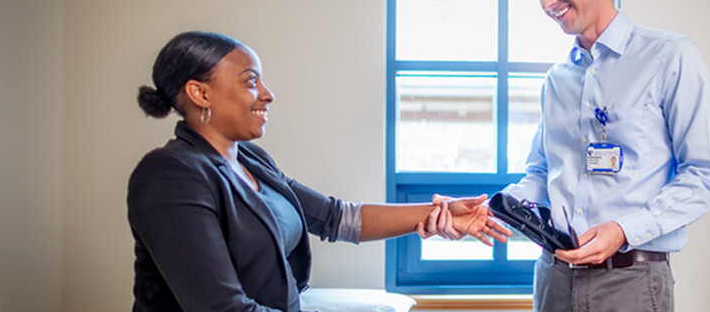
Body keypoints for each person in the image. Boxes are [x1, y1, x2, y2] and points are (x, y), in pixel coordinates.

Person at [427, 0, 710, 311]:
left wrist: (622, 231)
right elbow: (540, 174)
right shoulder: (558, 80)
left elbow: (706, 177)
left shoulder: (671, 58)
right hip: (554, 278)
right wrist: (492, 207)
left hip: (632, 282)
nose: (547, 3)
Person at [127, 31, 511, 312]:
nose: (267, 93)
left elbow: (335, 217)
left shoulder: (250, 160)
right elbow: (222, 309)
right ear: (200, 93)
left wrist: (436, 216)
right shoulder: (169, 175)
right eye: (250, 81)